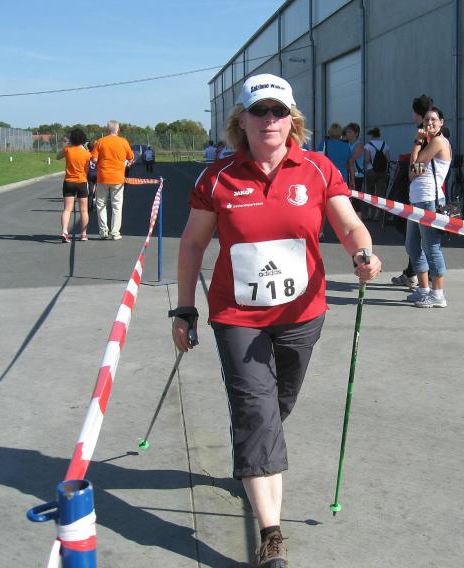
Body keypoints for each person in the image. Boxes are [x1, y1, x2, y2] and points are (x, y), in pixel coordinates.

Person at [171, 73, 382, 568]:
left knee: (276, 405)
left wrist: (364, 253)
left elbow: (349, 224)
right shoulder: (217, 178)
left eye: (279, 111)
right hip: (237, 317)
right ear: (241, 121)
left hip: (302, 315)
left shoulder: (317, 169)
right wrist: (184, 308)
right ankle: (271, 535)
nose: (270, 119)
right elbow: (193, 245)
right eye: (260, 110)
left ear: (293, 120)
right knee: (256, 410)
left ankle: (253, 456)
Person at [405, 106, 451, 308]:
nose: (429, 123)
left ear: (441, 122)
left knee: (431, 247)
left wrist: (417, 141)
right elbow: (413, 170)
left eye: (433, 119)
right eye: (426, 120)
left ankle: (438, 294)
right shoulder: (430, 142)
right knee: (412, 246)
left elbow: (413, 169)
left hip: (429, 201)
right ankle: (424, 289)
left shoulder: (438, 142)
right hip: (418, 200)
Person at [391, 94, 434, 290]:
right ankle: (414, 274)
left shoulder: (424, 134)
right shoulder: (435, 134)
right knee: (421, 240)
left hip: (422, 193)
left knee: (418, 241)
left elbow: (416, 167)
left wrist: (411, 161)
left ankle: (425, 283)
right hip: (428, 192)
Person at [91, 120, 134, 240]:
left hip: (102, 177)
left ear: (107, 129)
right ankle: (115, 232)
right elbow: (130, 157)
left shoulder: (100, 141)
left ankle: (103, 231)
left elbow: (94, 159)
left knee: (101, 204)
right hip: (118, 178)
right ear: (118, 129)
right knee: (117, 206)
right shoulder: (123, 141)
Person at [56, 128, 91, 242]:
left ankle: (64, 231)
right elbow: (87, 170)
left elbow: (58, 156)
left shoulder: (68, 150)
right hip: (81, 182)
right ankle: (84, 234)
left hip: (69, 182)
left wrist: (68, 145)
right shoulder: (87, 154)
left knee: (67, 209)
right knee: (84, 210)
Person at [363, 127, 391, 221]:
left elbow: (367, 160)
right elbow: (388, 159)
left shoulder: (368, 145)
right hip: (382, 171)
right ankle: (377, 215)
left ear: (371, 135)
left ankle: (370, 214)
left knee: (370, 193)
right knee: (380, 193)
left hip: (371, 170)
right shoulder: (385, 145)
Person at [344, 122, 366, 219]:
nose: (347, 134)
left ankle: (359, 221)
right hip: (348, 174)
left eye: (350, 132)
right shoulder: (347, 144)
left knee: (356, 200)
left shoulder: (359, 145)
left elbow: (351, 160)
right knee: (348, 199)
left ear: (356, 133)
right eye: (347, 132)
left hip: (357, 175)